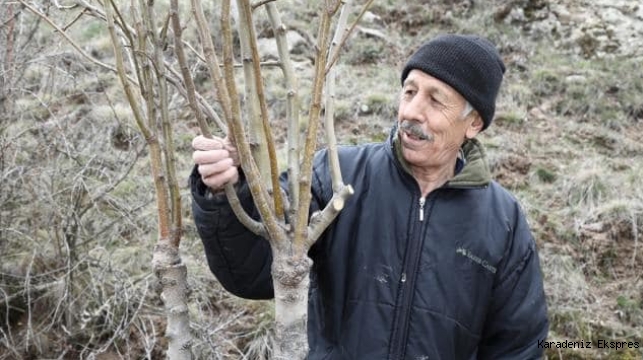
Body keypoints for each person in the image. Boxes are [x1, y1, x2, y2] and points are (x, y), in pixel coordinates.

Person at [190, 34, 549, 359]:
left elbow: (519, 348)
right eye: (409, 92)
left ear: (474, 124)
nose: (411, 112)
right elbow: (253, 270)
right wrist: (230, 190)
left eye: (435, 101)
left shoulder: (502, 220)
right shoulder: (336, 174)